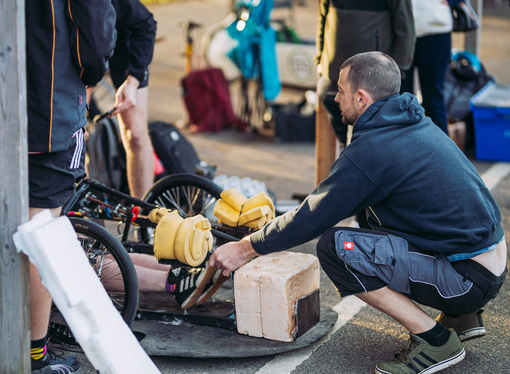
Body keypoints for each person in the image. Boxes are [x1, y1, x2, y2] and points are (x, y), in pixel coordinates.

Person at [209, 52, 507, 374]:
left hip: (466, 279)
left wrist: (244, 248)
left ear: (361, 98)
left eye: (340, 90)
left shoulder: (373, 150)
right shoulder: (412, 119)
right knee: (367, 227)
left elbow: (312, 215)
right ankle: (461, 317)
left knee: (336, 247)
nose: (335, 97)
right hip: (488, 264)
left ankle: (436, 341)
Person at [0, 1, 117, 373]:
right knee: (40, 228)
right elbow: (95, 31)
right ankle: (32, 356)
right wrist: (90, 71)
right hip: (48, 106)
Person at [315, 0, 416, 149]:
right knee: (328, 96)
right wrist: (319, 59)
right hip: (333, 68)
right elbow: (323, 19)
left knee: (370, 135)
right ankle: (347, 150)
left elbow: (406, 30)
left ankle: (354, 154)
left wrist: (397, 70)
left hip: (373, 77)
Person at [109, 0, 157, 199]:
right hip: (65, 52)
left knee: (135, 135)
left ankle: (142, 217)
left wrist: (133, 80)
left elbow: (146, 24)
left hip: (120, 45)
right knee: (73, 135)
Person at [400, 0, 457, 134]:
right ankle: (402, 151)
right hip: (400, 28)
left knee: (433, 99)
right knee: (401, 100)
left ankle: (442, 153)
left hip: (435, 27)